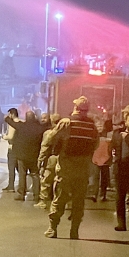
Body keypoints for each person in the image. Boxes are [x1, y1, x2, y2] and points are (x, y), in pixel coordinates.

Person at [44, 96, 98, 240]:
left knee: (59, 199)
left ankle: (52, 229)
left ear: (76, 108)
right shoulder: (92, 126)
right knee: (78, 202)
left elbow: (50, 139)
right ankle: (74, 231)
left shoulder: (67, 123)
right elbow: (95, 145)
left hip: (66, 169)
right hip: (83, 170)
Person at [5, 111, 46, 201]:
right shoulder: (39, 128)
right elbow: (47, 126)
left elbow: (12, 123)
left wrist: (7, 118)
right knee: (35, 175)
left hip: (22, 156)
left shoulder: (21, 126)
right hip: (34, 156)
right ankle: (36, 195)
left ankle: (21, 194)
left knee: (22, 175)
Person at [35, 113, 63, 209]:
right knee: (60, 181)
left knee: (46, 180)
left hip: (51, 159)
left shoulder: (49, 133)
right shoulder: (66, 133)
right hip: (63, 159)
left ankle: (43, 201)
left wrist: (40, 161)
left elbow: (44, 148)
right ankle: (59, 202)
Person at [90, 126, 113, 202]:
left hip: (95, 160)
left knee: (95, 178)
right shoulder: (108, 141)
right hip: (105, 162)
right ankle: (103, 195)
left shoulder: (95, 141)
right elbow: (110, 151)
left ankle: (94, 194)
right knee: (104, 180)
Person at [1, 108, 20, 192]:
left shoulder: (12, 124)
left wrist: (4, 136)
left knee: (11, 167)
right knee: (20, 168)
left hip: (12, 148)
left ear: (12, 114)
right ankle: (23, 185)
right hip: (19, 148)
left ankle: (11, 186)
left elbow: (10, 136)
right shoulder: (21, 122)